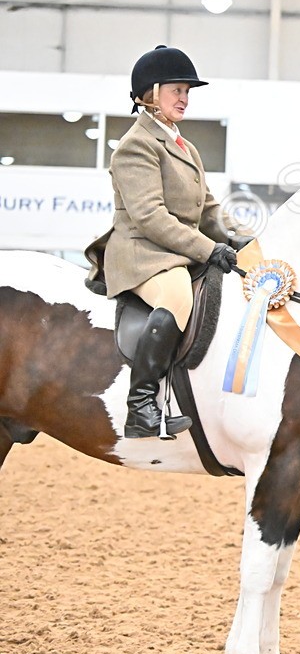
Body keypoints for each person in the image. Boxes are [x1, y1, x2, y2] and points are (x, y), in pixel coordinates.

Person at [85, 45, 244, 440]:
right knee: (177, 296)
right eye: (176, 90)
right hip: (142, 252)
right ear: (150, 94)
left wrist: (246, 239)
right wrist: (209, 250)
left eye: (187, 91)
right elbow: (151, 218)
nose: (184, 98)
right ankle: (140, 406)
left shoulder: (184, 147)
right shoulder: (135, 146)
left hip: (176, 251)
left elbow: (209, 210)